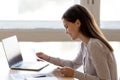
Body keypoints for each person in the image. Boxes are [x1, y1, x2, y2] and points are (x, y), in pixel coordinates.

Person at [36, 4, 117, 80]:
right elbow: (73, 64)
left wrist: (74, 74)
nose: (66, 31)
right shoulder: (85, 44)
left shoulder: (94, 45)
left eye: (66, 26)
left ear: (78, 23)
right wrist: (48, 58)